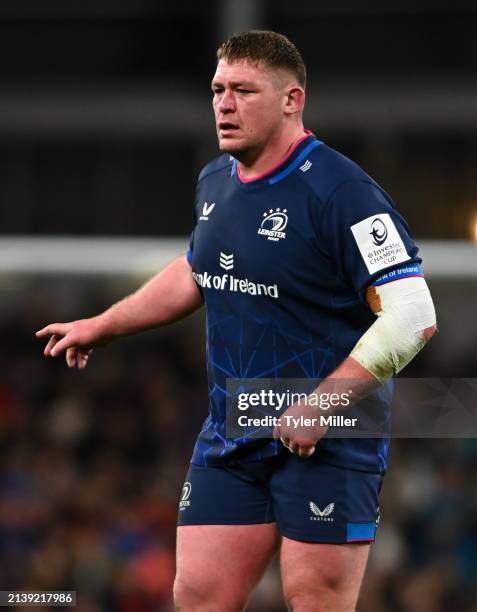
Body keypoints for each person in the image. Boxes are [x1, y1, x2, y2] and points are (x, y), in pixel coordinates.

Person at [37, 31, 437, 612]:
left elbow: (413, 316)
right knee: (197, 596)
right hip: (233, 427)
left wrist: (323, 407)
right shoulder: (215, 181)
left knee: (315, 600)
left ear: (291, 100)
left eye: (244, 90)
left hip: (327, 435)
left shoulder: (343, 192)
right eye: (218, 89)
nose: (224, 104)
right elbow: (199, 270)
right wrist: (104, 323)